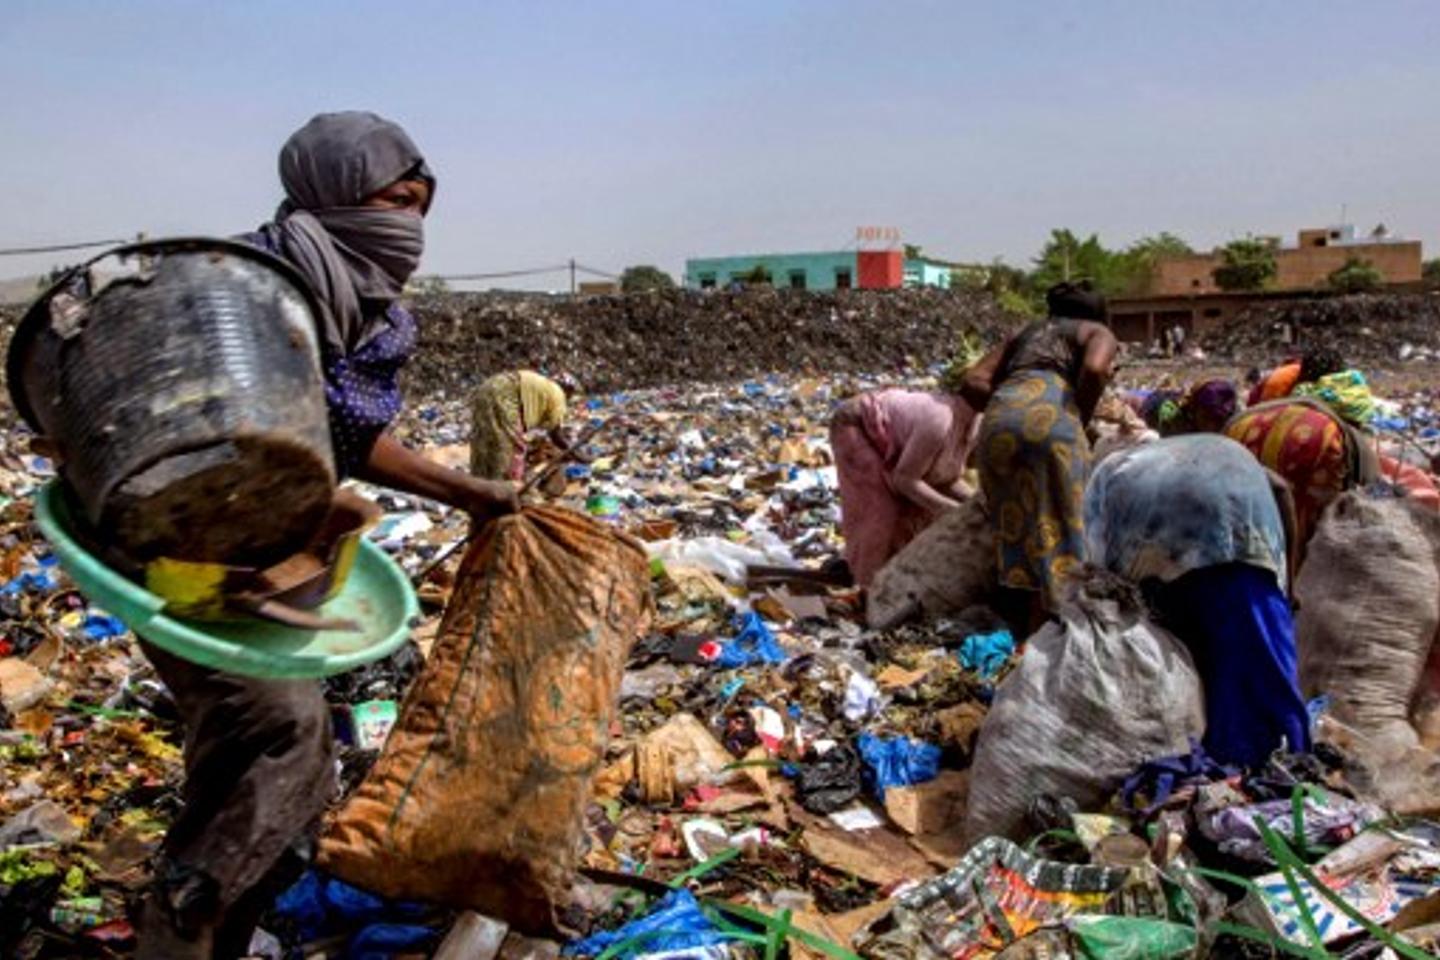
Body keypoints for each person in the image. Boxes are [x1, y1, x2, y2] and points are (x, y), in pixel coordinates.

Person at [137, 112, 518, 960]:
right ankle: (179, 930)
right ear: (330, 193)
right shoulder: (243, 282)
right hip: (179, 556)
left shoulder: (367, 309)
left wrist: (467, 492)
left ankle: (218, 928)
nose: (408, 226)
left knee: (253, 754)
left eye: (420, 207)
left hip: (271, 560)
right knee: (281, 741)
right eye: (392, 200)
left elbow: (349, 440)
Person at [1084, 434, 1310, 767]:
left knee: (1186, 663)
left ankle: (1215, 760)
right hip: (1250, 549)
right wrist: (1286, 585)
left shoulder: (1109, 474)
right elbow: (1280, 490)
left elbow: (1101, 566)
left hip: (1167, 565)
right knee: (1266, 674)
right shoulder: (1212, 450)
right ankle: (1288, 765)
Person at [960, 281, 1117, 628]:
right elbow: (1095, 369)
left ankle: (1019, 622)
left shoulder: (1024, 333)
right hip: (1051, 426)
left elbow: (972, 380)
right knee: (1064, 522)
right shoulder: (1097, 331)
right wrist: (1078, 414)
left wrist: (1012, 405)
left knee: (1017, 526)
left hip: (998, 427)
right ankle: (1062, 624)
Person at [828, 388, 979, 588]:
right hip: (856, 425)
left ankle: (894, 582)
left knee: (919, 513)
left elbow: (945, 479)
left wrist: (978, 504)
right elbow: (905, 480)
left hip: (891, 443)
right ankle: (865, 590)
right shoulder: (939, 423)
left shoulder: (973, 427)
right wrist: (952, 510)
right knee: (881, 514)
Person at [469, 369, 578, 482]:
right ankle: (501, 485)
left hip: (487, 387)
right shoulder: (559, 394)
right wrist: (574, 453)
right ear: (568, 390)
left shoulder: (543, 385)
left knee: (484, 441)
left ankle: (477, 483)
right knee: (507, 445)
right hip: (505, 393)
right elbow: (556, 434)